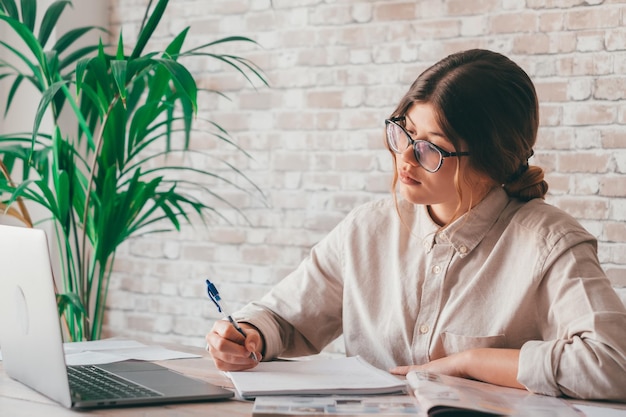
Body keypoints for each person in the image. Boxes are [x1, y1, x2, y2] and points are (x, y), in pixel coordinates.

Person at [205, 49, 626, 401]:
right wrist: (248, 335)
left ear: (491, 159)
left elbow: (613, 364)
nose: (405, 158)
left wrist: (469, 363)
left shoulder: (549, 242)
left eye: (431, 149)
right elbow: (283, 318)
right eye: (404, 133)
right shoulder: (367, 229)